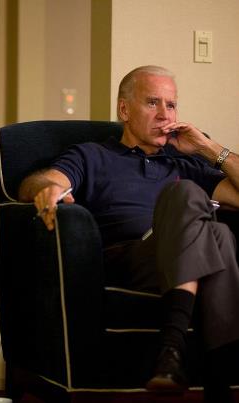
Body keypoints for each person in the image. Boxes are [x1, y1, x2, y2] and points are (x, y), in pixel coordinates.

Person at [18, 65, 239, 401]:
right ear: (124, 109)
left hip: (183, 255)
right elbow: (38, 182)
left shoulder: (187, 163)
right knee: (187, 196)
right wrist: (46, 190)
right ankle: (196, 362)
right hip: (129, 256)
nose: (165, 114)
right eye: (153, 103)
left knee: (221, 237)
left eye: (172, 105)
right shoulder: (93, 155)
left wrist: (209, 149)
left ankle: (179, 361)